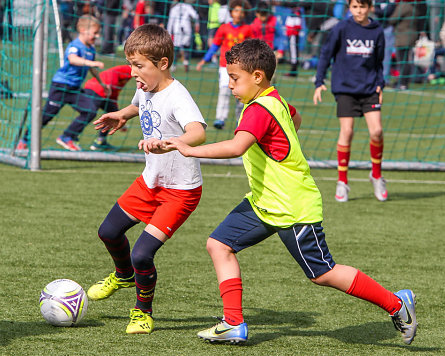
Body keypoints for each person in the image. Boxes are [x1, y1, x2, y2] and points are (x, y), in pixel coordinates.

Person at [165, 38, 417, 346]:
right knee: (219, 244)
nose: (229, 85)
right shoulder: (274, 100)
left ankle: (396, 303)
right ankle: (233, 323)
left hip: (293, 207)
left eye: (234, 78)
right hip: (264, 203)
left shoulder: (258, 110)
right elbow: (294, 118)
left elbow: (235, 147)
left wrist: (188, 149)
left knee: (323, 273)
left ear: (257, 76)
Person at [88, 24, 207, 334]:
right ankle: (123, 275)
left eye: (138, 65)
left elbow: (198, 131)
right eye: (131, 64)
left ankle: (143, 312)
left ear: (162, 64)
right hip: (151, 181)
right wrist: (122, 115)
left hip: (180, 191)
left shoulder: (178, 95)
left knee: (142, 253)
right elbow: (139, 105)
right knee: (108, 232)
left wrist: (174, 142)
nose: (132, 72)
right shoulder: (145, 87)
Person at [313, 0, 387, 202]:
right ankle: (342, 181)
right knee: (347, 132)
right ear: (349, 8)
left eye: (363, 7)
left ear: (370, 7)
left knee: (377, 131)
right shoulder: (341, 28)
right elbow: (326, 54)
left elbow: (379, 62)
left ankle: (377, 175)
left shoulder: (377, 31)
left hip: (369, 88)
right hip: (345, 89)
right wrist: (319, 81)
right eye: (355, 7)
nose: (359, 11)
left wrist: (381, 82)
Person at [17, 15, 109, 151]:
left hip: (75, 89)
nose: (97, 36)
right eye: (95, 33)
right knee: (46, 116)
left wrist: (102, 84)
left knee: (90, 110)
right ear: (83, 30)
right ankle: (24, 140)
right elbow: (73, 59)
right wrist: (91, 62)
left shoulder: (91, 49)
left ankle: (67, 137)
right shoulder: (74, 46)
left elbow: (91, 69)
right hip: (60, 87)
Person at [197, 0, 252, 130]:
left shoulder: (247, 29)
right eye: (236, 11)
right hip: (225, 67)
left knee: (241, 94)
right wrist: (204, 60)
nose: (238, 14)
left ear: (244, 14)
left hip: (242, 68)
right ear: (231, 12)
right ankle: (220, 119)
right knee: (224, 92)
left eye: (241, 11)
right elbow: (215, 45)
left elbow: (251, 48)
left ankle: (241, 120)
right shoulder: (224, 28)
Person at [59, 65, 133, 151]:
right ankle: (67, 136)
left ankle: (100, 142)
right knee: (89, 113)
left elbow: (114, 93)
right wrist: (108, 84)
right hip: (95, 90)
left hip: (104, 94)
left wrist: (120, 115)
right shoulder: (129, 69)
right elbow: (112, 72)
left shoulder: (131, 75)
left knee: (114, 114)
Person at [166, 0, 201, 72]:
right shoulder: (188, 6)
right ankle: (186, 63)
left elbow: (170, 22)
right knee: (186, 47)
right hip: (186, 29)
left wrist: (169, 33)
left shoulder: (174, 8)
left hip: (177, 30)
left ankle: (174, 65)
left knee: (176, 48)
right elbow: (196, 16)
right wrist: (197, 24)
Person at [427, 1, 445, 84]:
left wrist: (442, 36)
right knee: (433, 51)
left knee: (434, 53)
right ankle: (438, 74)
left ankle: (432, 74)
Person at [284, 5, 303, 77]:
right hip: (290, 34)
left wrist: (292, 32)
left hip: (293, 35)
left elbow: (297, 25)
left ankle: (293, 70)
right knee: (292, 52)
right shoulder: (292, 13)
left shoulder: (297, 13)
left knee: (294, 52)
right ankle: (293, 69)